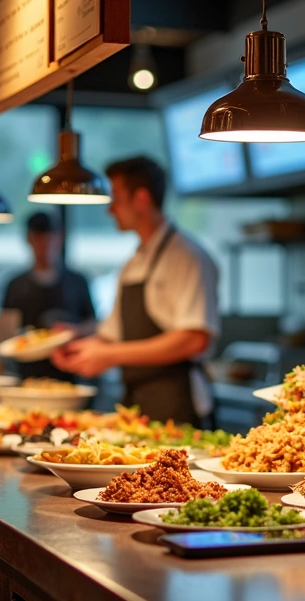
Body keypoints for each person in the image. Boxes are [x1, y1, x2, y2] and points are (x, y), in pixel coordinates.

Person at [52, 156, 219, 426]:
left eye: (115, 198)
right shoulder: (133, 262)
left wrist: (109, 356)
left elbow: (194, 339)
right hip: (137, 404)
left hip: (177, 404)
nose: (110, 209)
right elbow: (111, 335)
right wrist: (77, 348)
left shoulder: (187, 256)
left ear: (141, 198)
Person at [0, 211, 96, 381]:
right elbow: (4, 330)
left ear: (60, 238)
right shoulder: (15, 285)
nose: (46, 244)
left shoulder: (77, 282)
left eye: (50, 238)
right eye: (39, 238)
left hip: (70, 373)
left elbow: (94, 323)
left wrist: (76, 331)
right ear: (29, 239)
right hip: (25, 374)